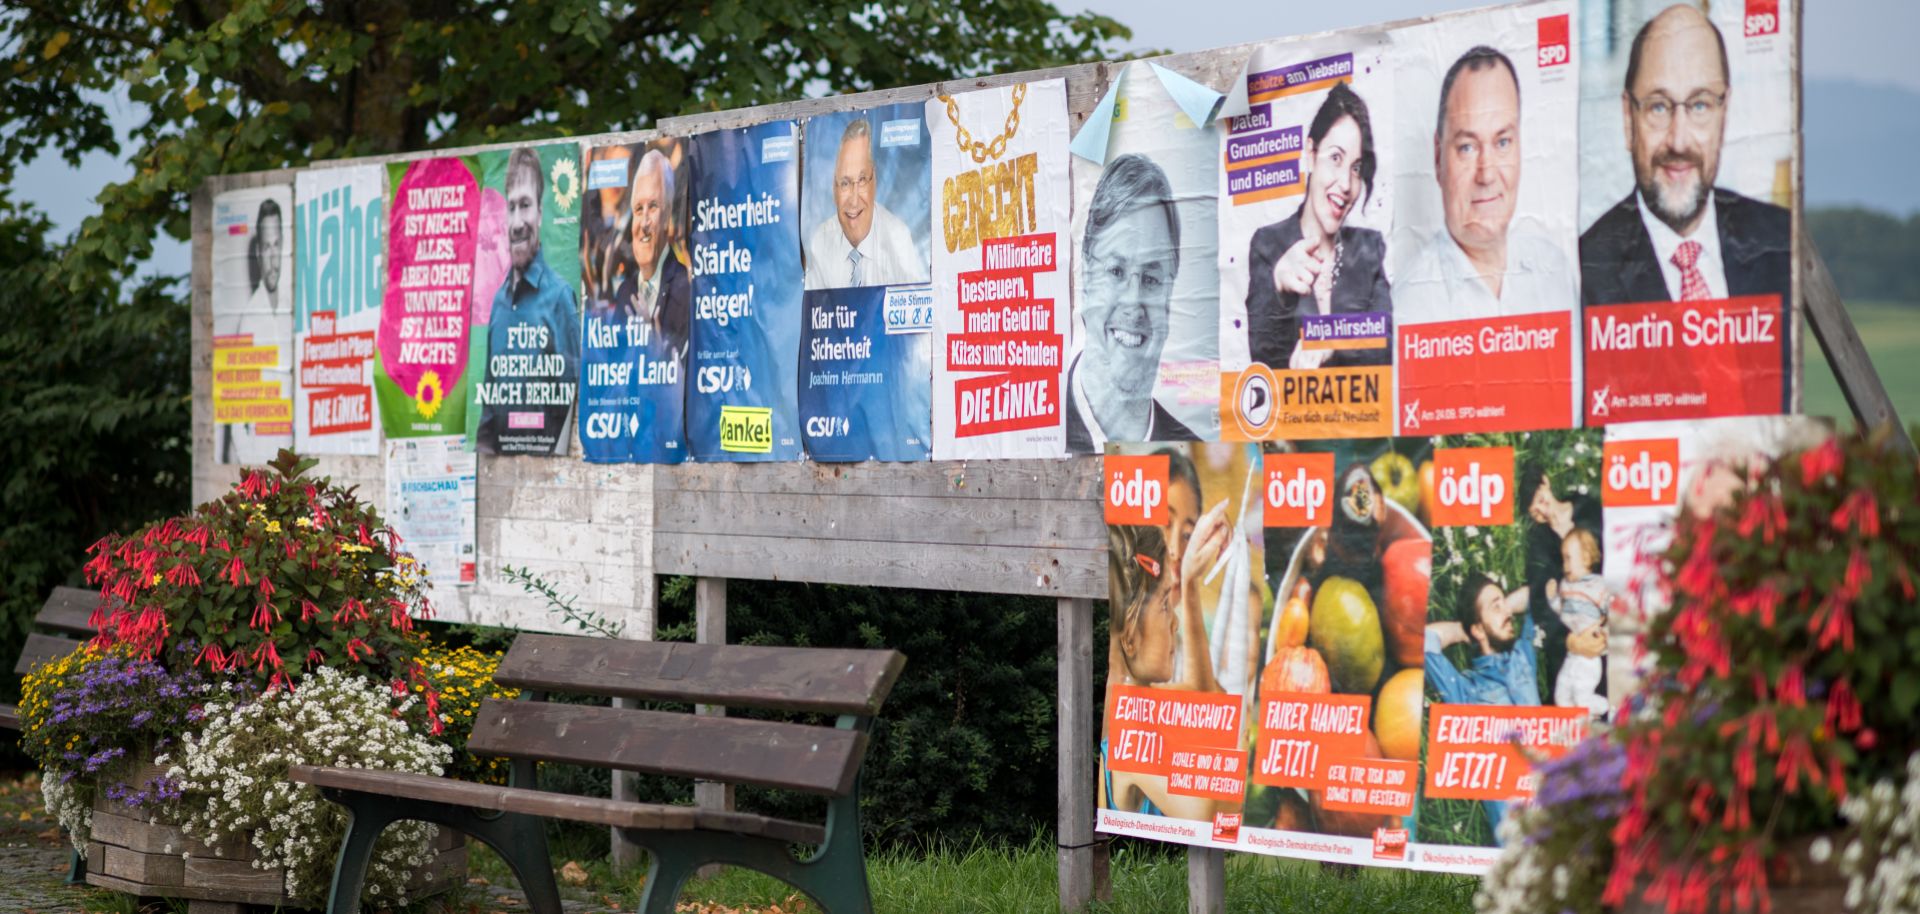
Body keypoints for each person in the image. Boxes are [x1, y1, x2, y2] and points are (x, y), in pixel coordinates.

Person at [1578, 4, 1790, 307]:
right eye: (1658, 107)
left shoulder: (1780, 240)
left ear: (1724, 113)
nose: (1678, 141)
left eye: (1700, 105)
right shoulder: (1584, 275)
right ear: (1628, 119)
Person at [1395, 46, 1576, 324]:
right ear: (1438, 158)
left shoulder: (1556, 275)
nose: (1487, 175)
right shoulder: (1407, 308)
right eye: (1467, 147)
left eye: (1503, 142)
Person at [1101, 499, 1234, 820]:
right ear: (1130, 637)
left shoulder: (1136, 702)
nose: (1175, 622)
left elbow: (1209, 697)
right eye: (1164, 604)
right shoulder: (1132, 739)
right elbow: (1206, 811)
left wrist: (1188, 585)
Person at [1244, 81, 1391, 372]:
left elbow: (1388, 345)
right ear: (1311, 155)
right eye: (1335, 158)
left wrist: (1331, 338)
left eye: (1356, 167)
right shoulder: (1269, 244)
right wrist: (1278, 290)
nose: (1347, 184)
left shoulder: (1369, 248)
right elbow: (1262, 360)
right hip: (1296, 415)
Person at [1067, 154, 1199, 453]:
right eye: (1116, 271)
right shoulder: (1041, 429)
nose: (1133, 301)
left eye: (1151, 279)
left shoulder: (1194, 451)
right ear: (1086, 273)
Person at [475, 148, 581, 454]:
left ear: (540, 213)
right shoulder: (498, 302)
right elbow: (489, 412)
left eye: (526, 205)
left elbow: (571, 406)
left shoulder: (560, 297)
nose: (518, 221)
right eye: (512, 207)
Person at [804, 118, 927, 290]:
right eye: (845, 183)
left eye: (862, 180)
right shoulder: (821, 241)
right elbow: (812, 314)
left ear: (874, 181)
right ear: (834, 188)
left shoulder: (897, 237)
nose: (854, 200)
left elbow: (917, 311)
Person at [611, 148, 690, 360]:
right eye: (638, 209)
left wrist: (658, 358)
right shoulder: (624, 293)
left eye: (653, 207)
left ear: (667, 216)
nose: (644, 223)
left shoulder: (686, 290)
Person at [1546, 527, 1611, 716]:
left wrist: (1604, 634)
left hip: (1589, 656)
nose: (1564, 564)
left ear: (1585, 558)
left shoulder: (1598, 586)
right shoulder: (1566, 585)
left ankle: (1607, 707)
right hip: (1571, 655)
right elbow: (1561, 613)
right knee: (1562, 696)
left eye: (1568, 558)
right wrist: (1552, 599)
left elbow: (1610, 613)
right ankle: (1579, 726)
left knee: (1582, 697)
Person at [246, 198, 286, 314]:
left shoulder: (292, 303)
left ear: (282, 243)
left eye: (276, 244)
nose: (273, 259)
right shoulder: (249, 318)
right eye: (267, 247)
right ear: (258, 253)